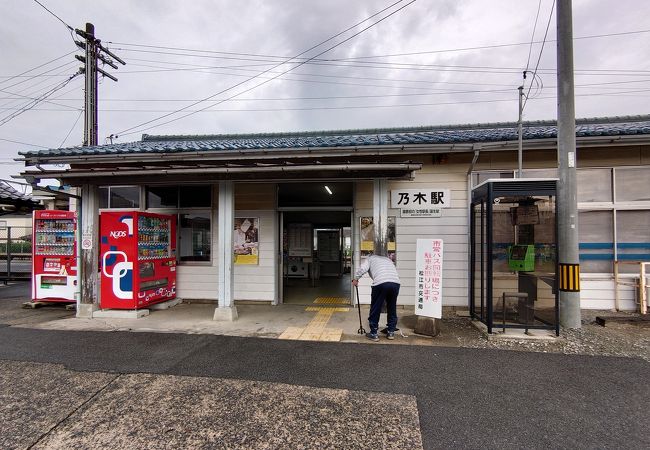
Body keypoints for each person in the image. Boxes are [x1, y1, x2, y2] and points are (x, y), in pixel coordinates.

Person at [352, 253, 400, 342]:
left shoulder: (370, 258)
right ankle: (390, 332)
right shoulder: (387, 260)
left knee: (376, 307)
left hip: (380, 283)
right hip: (395, 283)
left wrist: (355, 279)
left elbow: (362, 268)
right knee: (392, 307)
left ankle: (374, 333)